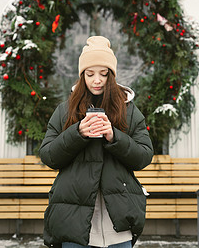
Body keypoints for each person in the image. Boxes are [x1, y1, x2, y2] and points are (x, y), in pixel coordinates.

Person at [39, 36, 153, 248]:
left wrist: (114, 137)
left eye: (104, 74)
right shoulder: (65, 111)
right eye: (90, 74)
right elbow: (48, 155)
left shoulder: (129, 111)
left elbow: (144, 155)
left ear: (112, 76)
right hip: (73, 219)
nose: (97, 80)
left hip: (117, 219)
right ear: (82, 76)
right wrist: (77, 133)